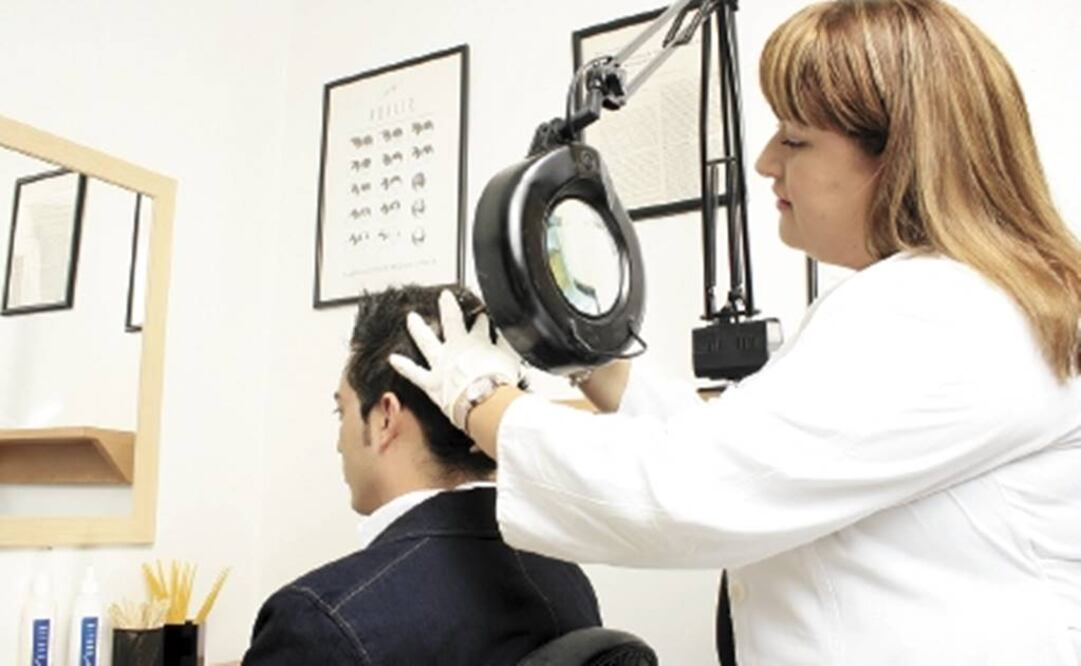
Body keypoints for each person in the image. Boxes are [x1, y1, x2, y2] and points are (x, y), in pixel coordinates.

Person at [389, 1, 1081, 663]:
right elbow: (749, 448)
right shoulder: (959, 299)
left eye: (796, 138)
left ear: (899, 155)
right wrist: (594, 364)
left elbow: (690, 490)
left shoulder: (942, 312)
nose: (765, 162)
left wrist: (476, 397)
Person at [243, 286, 602, 666]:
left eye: (341, 412)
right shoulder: (565, 579)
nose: (338, 444)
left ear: (385, 417)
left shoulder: (320, 624)